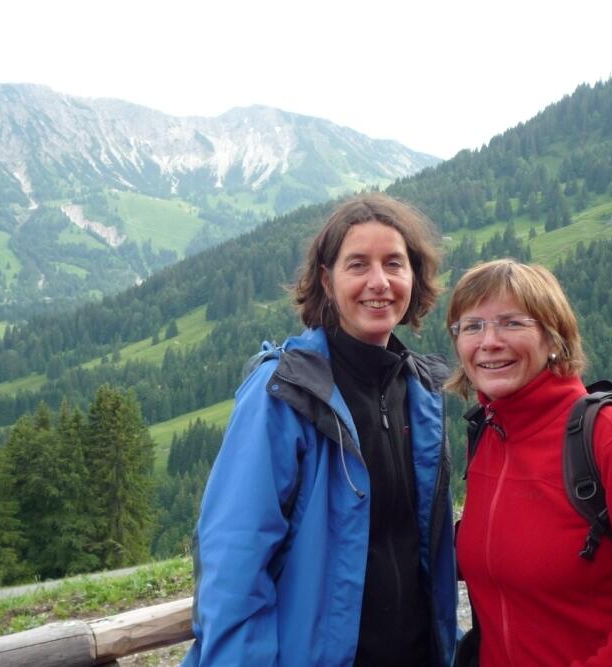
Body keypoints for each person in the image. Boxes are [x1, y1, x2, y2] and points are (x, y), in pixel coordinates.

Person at [182, 193, 458, 666]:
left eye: (394, 263)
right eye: (358, 265)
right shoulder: (285, 392)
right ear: (327, 281)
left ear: (414, 276)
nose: (379, 282)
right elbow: (233, 563)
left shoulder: (421, 393)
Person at [447, 258, 612, 666]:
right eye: (472, 326)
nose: (489, 341)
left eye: (512, 323)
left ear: (553, 337)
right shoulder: (488, 434)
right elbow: (496, 549)